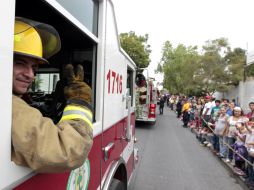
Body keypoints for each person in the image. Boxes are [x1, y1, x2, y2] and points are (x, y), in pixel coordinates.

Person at [12, 17, 93, 173]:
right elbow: (68, 151)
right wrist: (79, 102)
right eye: (19, 63)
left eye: (34, 68)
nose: (30, 75)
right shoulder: (9, 107)